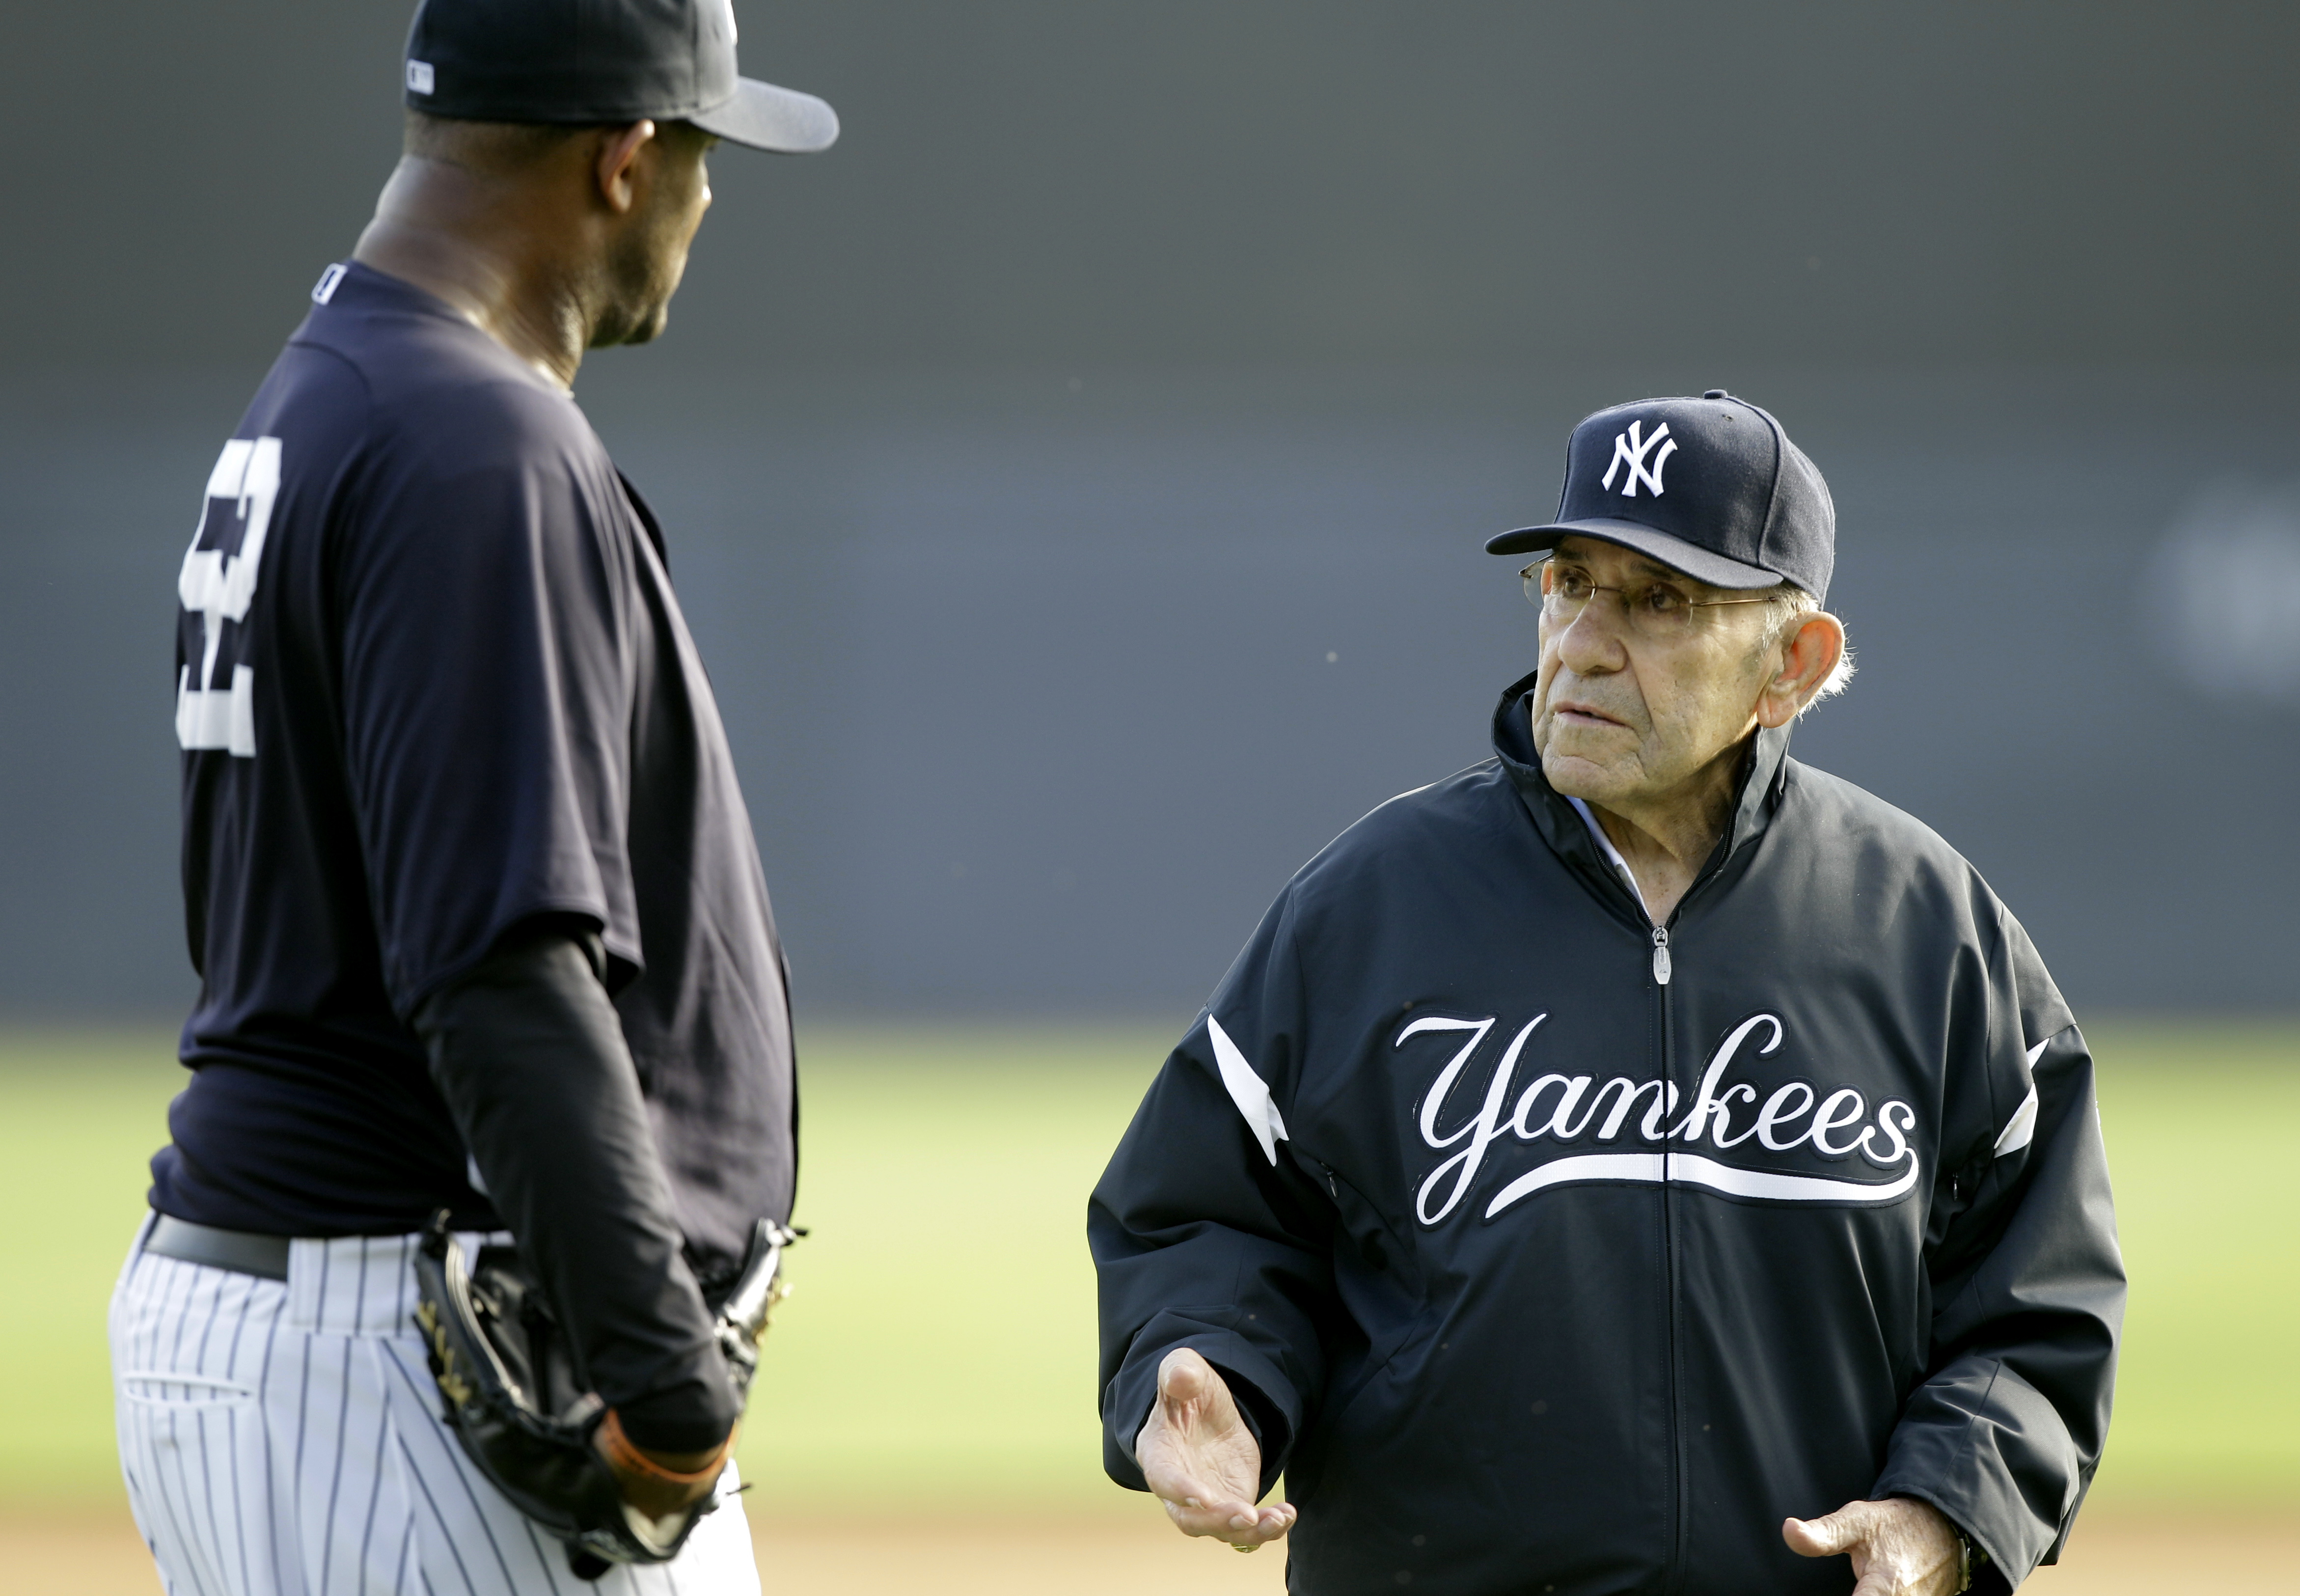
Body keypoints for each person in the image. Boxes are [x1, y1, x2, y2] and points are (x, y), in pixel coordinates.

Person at [1090, 392, 2124, 1596]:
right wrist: (1211, 1366)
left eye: (1658, 600)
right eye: (1567, 582)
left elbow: (2034, 1293)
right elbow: (1208, 1210)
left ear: (1792, 663)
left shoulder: (1920, 925)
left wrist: (1946, 1501)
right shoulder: (1370, 906)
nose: (1582, 639)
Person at [110, 1, 836, 1591]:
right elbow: (497, 965)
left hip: (299, 1323)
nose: (707, 202)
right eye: (703, 156)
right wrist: (671, 1392)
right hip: (405, 1345)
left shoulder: (335, 391)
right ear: (626, 158)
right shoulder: (474, 444)